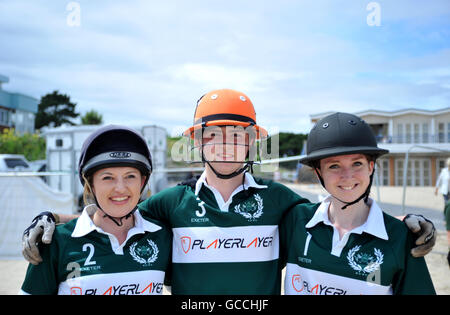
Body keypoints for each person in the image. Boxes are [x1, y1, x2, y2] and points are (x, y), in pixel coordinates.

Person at [21, 89, 437, 294]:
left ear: (253, 142)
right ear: (197, 142)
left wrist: (406, 225)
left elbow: (341, 211)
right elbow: (114, 214)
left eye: (237, 136)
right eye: (214, 135)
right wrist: (52, 221)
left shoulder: (280, 202)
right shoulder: (170, 203)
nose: (225, 145)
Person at [281, 112, 435, 294]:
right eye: (334, 166)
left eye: (357, 164)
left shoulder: (400, 237)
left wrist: (396, 224)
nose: (347, 176)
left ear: (371, 167)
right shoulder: (296, 220)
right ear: (318, 173)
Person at [20, 125, 171, 295]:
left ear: (142, 182)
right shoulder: (56, 242)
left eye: (130, 176)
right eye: (108, 177)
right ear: (90, 184)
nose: (120, 188)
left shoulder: (163, 236)